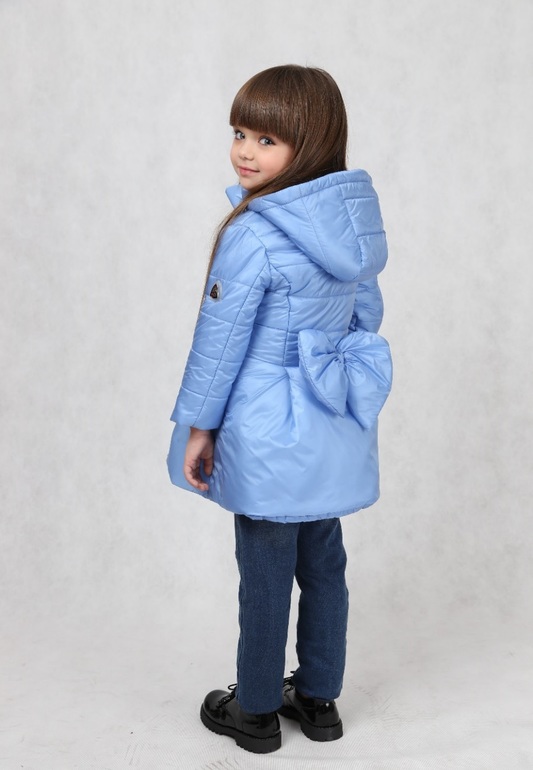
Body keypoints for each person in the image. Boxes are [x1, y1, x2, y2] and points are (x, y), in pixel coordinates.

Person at [167, 64, 392, 754]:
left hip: (267, 424)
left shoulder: (254, 233)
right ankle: (319, 700)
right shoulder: (352, 227)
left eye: (266, 139)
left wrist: (199, 426)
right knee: (324, 563)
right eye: (240, 133)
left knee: (265, 571)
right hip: (331, 417)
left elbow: (220, 343)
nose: (244, 151)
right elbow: (365, 317)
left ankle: (257, 710)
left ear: (311, 141)